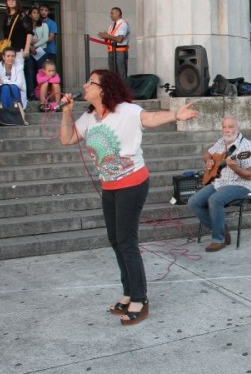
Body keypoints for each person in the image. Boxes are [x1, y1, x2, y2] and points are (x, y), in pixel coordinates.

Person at [58, 69, 198, 325]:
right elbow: (67, 138)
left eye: (90, 82)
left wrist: (175, 114)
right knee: (115, 240)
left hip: (132, 183)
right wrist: (66, 112)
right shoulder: (89, 117)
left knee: (126, 241)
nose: (84, 85)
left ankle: (140, 299)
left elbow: (151, 117)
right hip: (109, 185)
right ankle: (128, 292)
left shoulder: (126, 111)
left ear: (103, 88)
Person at [187, 117, 251, 252]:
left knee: (215, 200)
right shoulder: (222, 141)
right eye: (224, 127)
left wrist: (236, 168)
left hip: (240, 185)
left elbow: (249, 175)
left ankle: (218, 239)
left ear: (237, 128)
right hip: (219, 182)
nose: (227, 130)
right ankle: (220, 227)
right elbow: (207, 153)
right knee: (193, 202)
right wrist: (208, 161)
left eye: (230, 127)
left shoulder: (246, 148)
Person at [0, 47, 27, 113]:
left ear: (15, 57)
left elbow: (19, 84)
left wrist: (4, 81)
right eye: (8, 56)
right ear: (3, 57)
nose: (10, 58)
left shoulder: (19, 66)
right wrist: (9, 84)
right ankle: (6, 113)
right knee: (5, 88)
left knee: (13, 87)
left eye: (13, 56)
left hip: (16, 92)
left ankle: (12, 112)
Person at [97, 7, 129, 80]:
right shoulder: (112, 25)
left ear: (118, 13)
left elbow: (119, 39)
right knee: (113, 75)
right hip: (111, 51)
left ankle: (123, 90)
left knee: (121, 75)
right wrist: (105, 37)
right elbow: (110, 38)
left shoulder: (123, 24)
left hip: (120, 52)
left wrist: (107, 36)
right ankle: (115, 90)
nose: (110, 15)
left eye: (112, 13)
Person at [2, 0, 33, 66]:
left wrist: (26, 49)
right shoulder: (6, 16)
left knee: (18, 72)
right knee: (9, 73)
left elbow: (29, 32)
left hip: (19, 49)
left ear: (17, 2)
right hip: (9, 50)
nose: (11, 1)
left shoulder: (22, 15)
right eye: (9, 0)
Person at [26, 6, 48, 100]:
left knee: (41, 73)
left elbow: (45, 38)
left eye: (37, 13)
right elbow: (25, 38)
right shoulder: (26, 26)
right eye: (34, 12)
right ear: (30, 15)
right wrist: (30, 47)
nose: (37, 14)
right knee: (30, 72)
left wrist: (35, 46)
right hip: (29, 52)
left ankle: (42, 94)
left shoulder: (44, 25)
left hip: (41, 52)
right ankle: (31, 93)